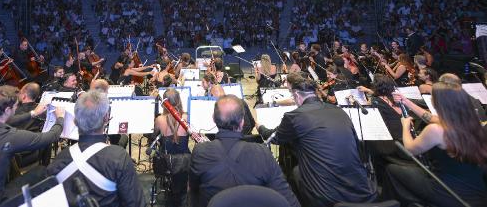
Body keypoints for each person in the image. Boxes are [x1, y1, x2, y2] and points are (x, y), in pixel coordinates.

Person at [258, 74, 375, 207]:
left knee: (295, 172)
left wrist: (259, 126)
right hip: (360, 187)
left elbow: (273, 138)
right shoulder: (338, 110)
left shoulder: (294, 116)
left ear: (296, 94)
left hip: (325, 195)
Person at [385, 80, 487, 206]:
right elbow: (430, 117)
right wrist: (406, 101)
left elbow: (410, 149)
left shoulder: (436, 130)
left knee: (391, 169)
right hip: (477, 192)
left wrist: (405, 126)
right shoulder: (472, 122)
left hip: (448, 191)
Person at [189, 95, 300, 207]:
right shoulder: (262, 153)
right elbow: (287, 199)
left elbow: (193, 190)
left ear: (213, 119)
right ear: (242, 122)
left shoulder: (200, 151)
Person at [47, 90, 146, 207]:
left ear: (75, 121)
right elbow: (135, 203)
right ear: (106, 118)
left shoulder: (59, 160)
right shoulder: (118, 157)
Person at [154, 88, 190, 207]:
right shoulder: (186, 117)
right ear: (179, 101)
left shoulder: (159, 119)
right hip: (185, 162)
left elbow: (153, 137)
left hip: (166, 161)